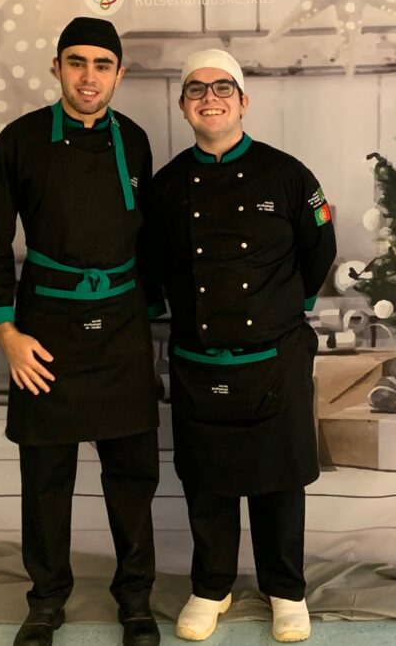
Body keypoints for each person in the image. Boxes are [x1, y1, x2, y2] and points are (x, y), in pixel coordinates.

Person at [0, 17, 164, 646]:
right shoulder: (19, 140)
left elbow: (148, 242)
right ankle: (47, 601)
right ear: (56, 67)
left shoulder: (135, 141)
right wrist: (7, 334)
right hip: (45, 330)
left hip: (122, 328)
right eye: (76, 62)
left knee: (132, 475)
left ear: (119, 74)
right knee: (46, 477)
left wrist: (154, 320)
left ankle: (135, 599)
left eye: (101, 65)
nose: (88, 76)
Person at [148, 49, 337, 643]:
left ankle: (286, 591)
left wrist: (285, 309)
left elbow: (320, 249)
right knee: (207, 481)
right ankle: (212, 587)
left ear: (243, 101)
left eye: (222, 88)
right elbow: (150, 263)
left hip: (276, 357)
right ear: (183, 105)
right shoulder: (165, 185)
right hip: (197, 358)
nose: (210, 98)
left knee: (280, 480)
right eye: (197, 89)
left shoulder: (288, 175)